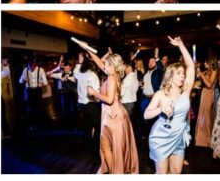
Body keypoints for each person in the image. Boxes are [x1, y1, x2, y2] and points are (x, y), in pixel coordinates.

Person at [77, 43, 139, 174]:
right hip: (113, 114)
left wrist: (94, 93)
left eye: (108, 64)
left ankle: (113, 172)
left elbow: (109, 100)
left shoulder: (111, 77)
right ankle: (114, 171)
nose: (105, 65)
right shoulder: (114, 74)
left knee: (107, 148)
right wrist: (87, 48)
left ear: (113, 66)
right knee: (108, 147)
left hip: (113, 116)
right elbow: (99, 62)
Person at [145, 36, 195, 174]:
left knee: (176, 173)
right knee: (162, 174)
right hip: (161, 138)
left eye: (183, 74)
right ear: (171, 76)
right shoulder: (161, 94)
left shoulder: (186, 90)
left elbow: (191, 65)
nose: (183, 76)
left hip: (178, 138)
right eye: (179, 73)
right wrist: (161, 109)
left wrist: (181, 45)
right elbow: (146, 114)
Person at [194, 59, 218, 148]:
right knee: (202, 116)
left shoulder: (214, 71)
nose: (204, 63)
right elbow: (200, 81)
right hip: (204, 94)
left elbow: (209, 84)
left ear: (210, 63)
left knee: (207, 117)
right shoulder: (206, 71)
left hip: (209, 95)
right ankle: (201, 139)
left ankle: (208, 139)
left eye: (206, 62)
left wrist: (201, 75)